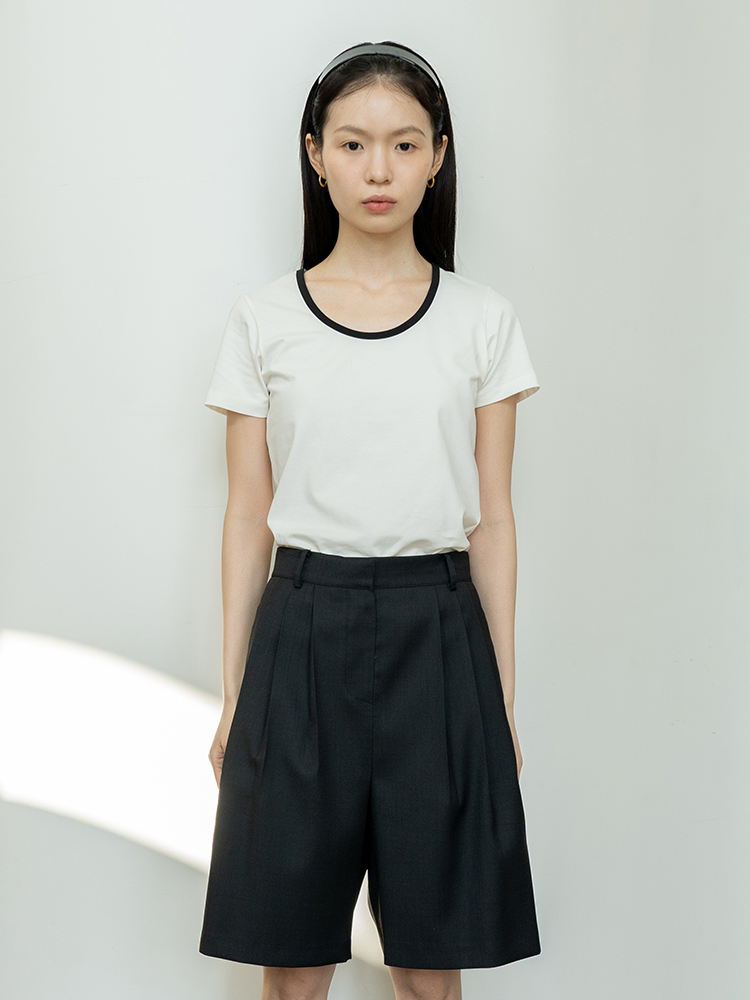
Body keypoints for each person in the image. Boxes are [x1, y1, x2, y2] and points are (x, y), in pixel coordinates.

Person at [198, 39, 542, 1000]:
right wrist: (234, 696)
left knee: (430, 969)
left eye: (403, 144)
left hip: (440, 634)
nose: (378, 169)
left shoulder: (482, 320)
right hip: (302, 627)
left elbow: (494, 520)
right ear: (316, 156)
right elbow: (247, 517)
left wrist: (500, 700)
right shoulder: (264, 320)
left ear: (438, 156)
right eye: (353, 144)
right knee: (294, 966)